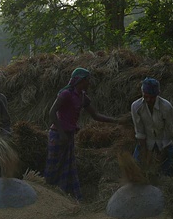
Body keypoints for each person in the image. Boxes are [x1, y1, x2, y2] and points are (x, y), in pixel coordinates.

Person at [44, 67, 123, 201]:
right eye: (87, 80)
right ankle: (47, 195)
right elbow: (52, 113)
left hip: (69, 136)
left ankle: (64, 198)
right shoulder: (66, 94)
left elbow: (96, 115)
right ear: (80, 80)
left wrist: (118, 121)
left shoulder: (82, 97)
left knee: (67, 168)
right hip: (58, 135)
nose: (89, 83)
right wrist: (62, 133)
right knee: (54, 167)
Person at [130, 77, 173, 176]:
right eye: (146, 96)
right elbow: (139, 131)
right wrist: (144, 152)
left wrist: (162, 153)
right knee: (136, 169)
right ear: (142, 92)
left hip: (163, 142)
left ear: (158, 94)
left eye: (152, 97)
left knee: (165, 172)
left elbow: (168, 131)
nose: (149, 100)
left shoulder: (166, 107)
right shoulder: (136, 106)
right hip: (146, 141)